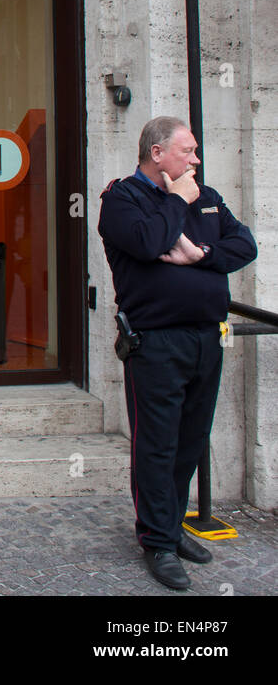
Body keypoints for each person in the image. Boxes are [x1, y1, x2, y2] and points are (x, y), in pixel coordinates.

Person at [97, 115, 256, 590]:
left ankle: (170, 527)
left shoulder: (204, 197)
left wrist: (200, 256)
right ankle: (158, 542)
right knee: (157, 444)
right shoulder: (122, 200)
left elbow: (243, 244)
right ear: (157, 152)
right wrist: (174, 201)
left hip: (207, 337)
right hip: (156, 342)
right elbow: (147, 242)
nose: (196, 160)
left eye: (195, 152)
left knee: (190, 441)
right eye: (187, 151)